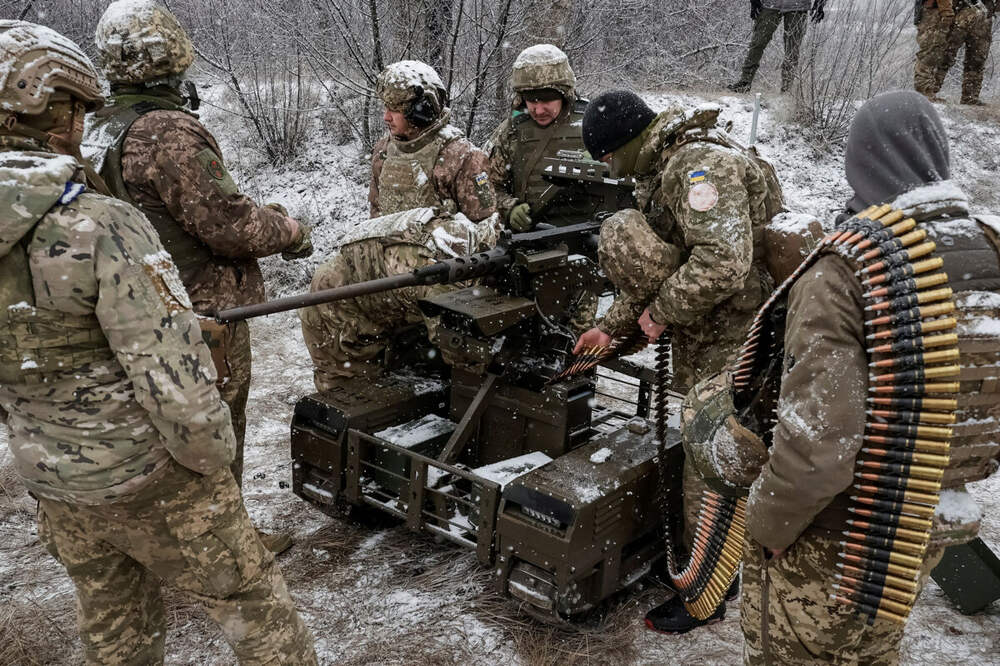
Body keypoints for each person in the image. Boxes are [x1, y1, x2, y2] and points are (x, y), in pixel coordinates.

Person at [0, 21, 317, 665]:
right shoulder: (99, 222)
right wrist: (212, 469)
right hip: (146, 465)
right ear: (57, 111)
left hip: (52, 474)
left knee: (115, 629)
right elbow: (172, 378)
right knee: (258, 613)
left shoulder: (105, 151)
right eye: (76, 111)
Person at [739, 90, 1000, 664]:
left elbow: (820, 444)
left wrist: (770, 525)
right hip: (925, 517)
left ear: (860, 161)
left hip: (841, 531)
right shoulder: (986, 246)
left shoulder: (846, 269)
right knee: (871, 652)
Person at [82, 3, 313, 546]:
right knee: (214, 427)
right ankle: (228, 545)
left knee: (157, 429)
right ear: (173, 54)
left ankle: (164, 538)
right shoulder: (166, 131)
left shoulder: (97, 126)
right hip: (200, 313)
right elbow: (231, 227)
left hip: (131, 307)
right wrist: (289, 229)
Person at [575, 91, 783, 633]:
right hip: (714, 326)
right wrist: (613, 326)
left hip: (737, 333)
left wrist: (662, 313)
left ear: (626, 141)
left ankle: (706, 592)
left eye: (606, 155)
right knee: (707, 451)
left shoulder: (695, 164)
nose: (607, 167)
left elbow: (723, 261)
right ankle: (707, 568)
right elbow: (669, 266)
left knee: (710, 460)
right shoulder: (666, 163)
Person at [368, 60, 496, 220]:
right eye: (386, 107)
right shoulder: (384, 151)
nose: (386, 117)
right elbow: (376, 215)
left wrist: (436, 230)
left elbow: (487, 228)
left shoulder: (463, 159)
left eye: (395, 108)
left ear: (421, 109)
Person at [486, 44, 591, 232]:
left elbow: (628, 182)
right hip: (532, 237)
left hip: (589, 234)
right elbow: (486, 187)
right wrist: (509, 208)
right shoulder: (511, 132)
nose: (539, 110)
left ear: (564, 94)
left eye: (547, 99)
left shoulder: (593, 125)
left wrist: (604, 167)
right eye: (532, 100)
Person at [728, 0, 827, 93]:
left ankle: (787, 89)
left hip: (798, 6)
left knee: (792, 50)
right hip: (770, 4)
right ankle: (745, 82)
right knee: (758, 42)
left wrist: (820, 3)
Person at [914, 0, 995, 105]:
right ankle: (925, 94)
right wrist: (946, 12)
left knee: (976, 57)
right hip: (940, 10)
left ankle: (970, 97)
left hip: (967, 10)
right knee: (936, 53)